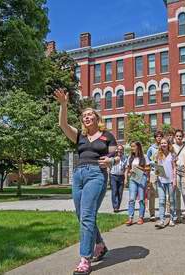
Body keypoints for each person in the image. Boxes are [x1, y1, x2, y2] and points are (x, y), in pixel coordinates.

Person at [54, 89, 118, 275]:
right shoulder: (79, 136)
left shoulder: (107, 136)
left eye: (90, 114)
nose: (86, 117)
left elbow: (117, 155)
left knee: (88, 216)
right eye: (84, 115)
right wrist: (63, 105)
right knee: (81, 215)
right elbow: (63, 124)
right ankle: (100, 245)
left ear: (97, 118)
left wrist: (110, 160)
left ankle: (85, 259)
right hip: (79, 176)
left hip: (96, 175)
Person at [125, 141, 149, 226]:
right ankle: (130, 218)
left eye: (133, 146)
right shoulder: (130, 157)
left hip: (142, 178)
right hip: (133, 178)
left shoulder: (144, 156)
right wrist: (129, 173)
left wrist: (139, 167)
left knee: (141, 199)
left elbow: (148, 168)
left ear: (138, 147)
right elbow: (128, 168)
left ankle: (140, 217)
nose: (132, 148)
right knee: (131, 199)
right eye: (131, 146)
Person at [155, 138, 177, 228]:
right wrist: (156, 173)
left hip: (170, 181)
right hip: (161, 181)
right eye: (161, 143)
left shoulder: (172, 154)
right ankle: (162, 220)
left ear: (168, 144)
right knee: (161, 201)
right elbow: (157, 167)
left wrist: (175, 179)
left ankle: (172, 218)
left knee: (171, 200)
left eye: (165, 143)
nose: (163, 144)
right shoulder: (158, 154)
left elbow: (174, 167)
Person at [172, 129, 185, 222]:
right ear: (175, 137)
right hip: (175, 171)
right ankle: (178, 213)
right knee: (177, 194)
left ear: (183, 137)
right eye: (177, 136)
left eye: (180, 136)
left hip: (184, 171)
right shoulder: (171, 147)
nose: (179, 137)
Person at [146, 131, 164, 221]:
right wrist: (152, 163)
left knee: (163, 192)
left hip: (162, 171)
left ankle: (164, 212)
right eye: (157, 136)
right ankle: (152, 214)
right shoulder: (151, 148)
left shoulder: (164, 147)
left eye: (160, 136)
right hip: (153, 172)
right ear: (155, 138)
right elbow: (147, 160)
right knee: (152, 192)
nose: (159, 138)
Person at [110, 144, 127, 212]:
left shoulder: (125, 158)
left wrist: (125, 179)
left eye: (121, 149)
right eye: (118, 149)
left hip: (121, 176)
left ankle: (118, 206)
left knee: (120, 192)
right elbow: (109, 165)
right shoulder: (112, 157)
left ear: (123, 150)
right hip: (113, 176)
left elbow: (126, 169)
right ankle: (115, 207)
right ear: (116, 150)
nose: (120, 150)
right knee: (114, 191)